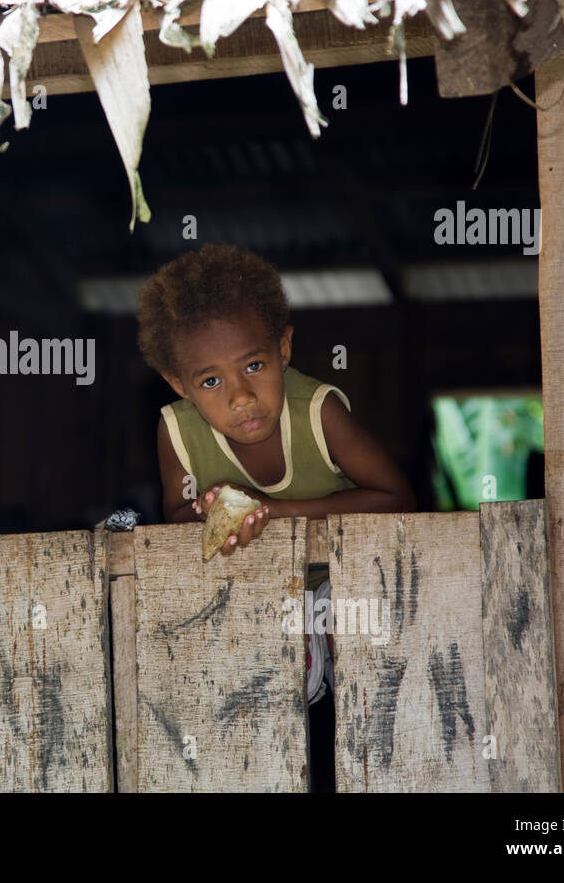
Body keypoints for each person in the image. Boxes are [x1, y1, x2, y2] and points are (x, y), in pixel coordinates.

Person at [136, 243, 414, 790]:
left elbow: (397, 497)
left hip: (339, 590)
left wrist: (277, 512)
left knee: (360, 709)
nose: (241, 397)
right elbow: (174, 517)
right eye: (210, 381)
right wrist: (210, 514)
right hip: (248, 596)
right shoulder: (177, 431)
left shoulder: (317, 412)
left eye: (254, 365)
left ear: (283, 348)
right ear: (179, 384)